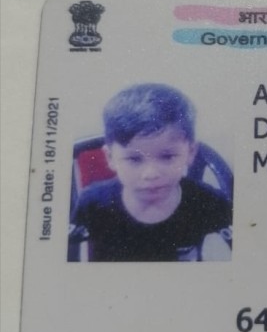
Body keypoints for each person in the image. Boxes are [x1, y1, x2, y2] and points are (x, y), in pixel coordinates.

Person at [71, 83, 232, 262]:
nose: (151, 174)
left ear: (190, 152)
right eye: (134, 159)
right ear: (110, 157)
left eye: (167, 156)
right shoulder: (92, 203)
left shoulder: (209, 202)